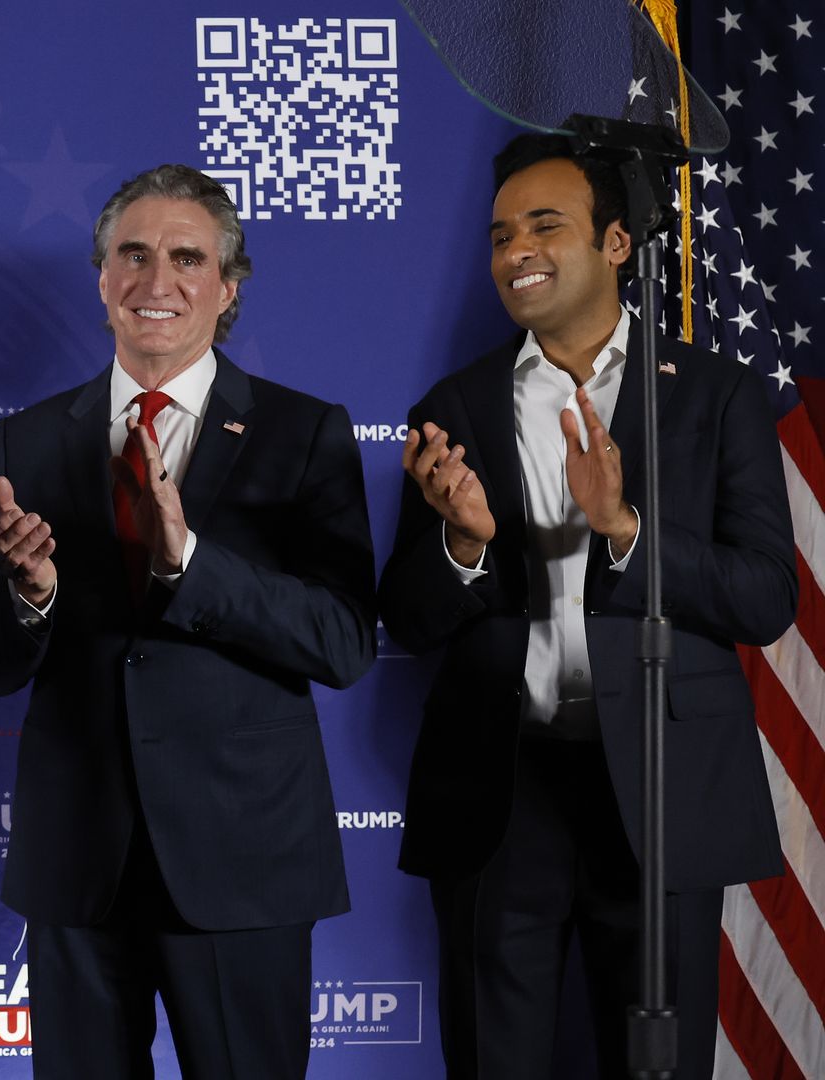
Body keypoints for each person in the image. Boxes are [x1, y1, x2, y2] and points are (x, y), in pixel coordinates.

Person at [378, 134, 796, 1079]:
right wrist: (464, 545)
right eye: (498, 236)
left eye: (544, 226)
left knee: (657, 1063)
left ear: (616, 243)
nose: (514, 250)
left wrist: (626, 531)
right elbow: (406, 618)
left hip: (661, 791)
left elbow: (767, 596)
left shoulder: (716, 397)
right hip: (500, 791)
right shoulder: (454, 402)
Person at [0, 164, 376, 1079]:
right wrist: (32, 592)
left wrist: (189, 562)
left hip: (245, 858)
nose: (158, 282)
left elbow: (344, 642)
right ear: (102, 276)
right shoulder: (26, 441)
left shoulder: (302, 432)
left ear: (227, 288)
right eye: (134, 255)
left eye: (188, 258)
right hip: (78, 858)